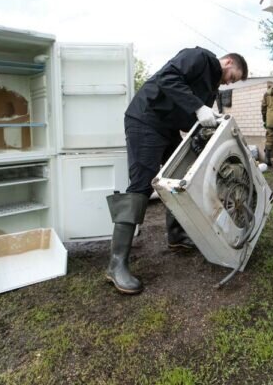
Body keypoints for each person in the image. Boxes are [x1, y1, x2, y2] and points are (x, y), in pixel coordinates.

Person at [106, 47, 249, 294]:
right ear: (227, 62)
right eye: (232, 76)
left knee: (178, 177)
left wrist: (204, 125)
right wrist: (198, 107)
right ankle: (116, 264)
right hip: (145, 120)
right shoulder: (199, 57)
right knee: (140, 185)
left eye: (232, 82)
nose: (229, 82)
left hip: (168, 128)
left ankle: (176, 236)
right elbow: (167, 78)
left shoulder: (212, 89)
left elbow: (193, 118)